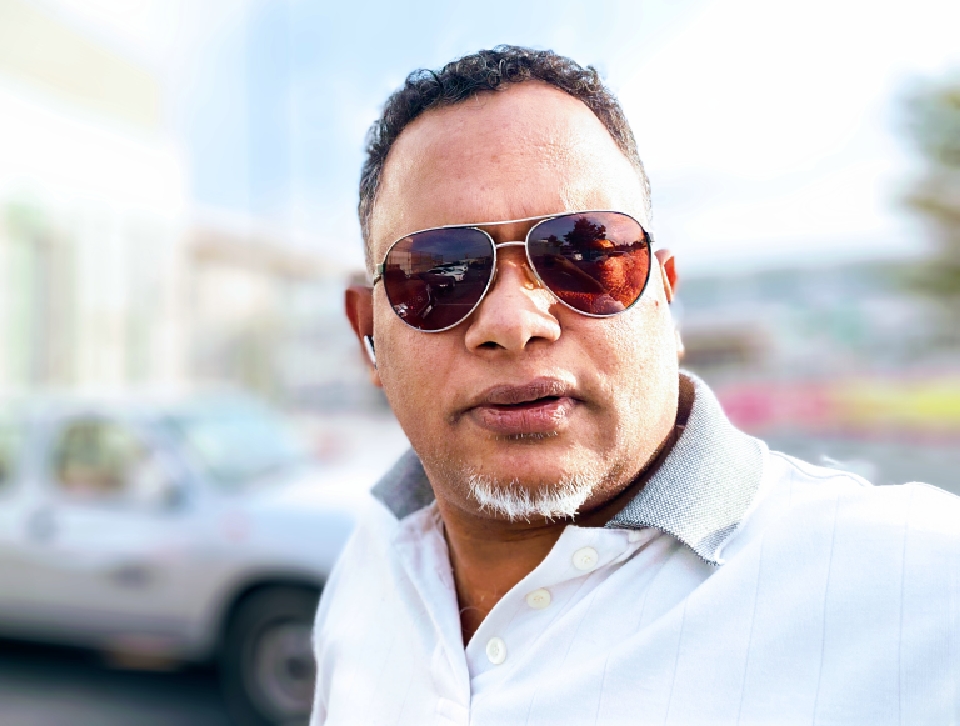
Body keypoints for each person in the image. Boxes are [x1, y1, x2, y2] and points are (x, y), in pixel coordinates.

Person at [311, 46, 960, 726]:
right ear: (368, 335)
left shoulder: (917, 585)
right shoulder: (372, 563)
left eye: (585, 255)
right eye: (438, 275)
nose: (512, 323)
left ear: (664, 299)